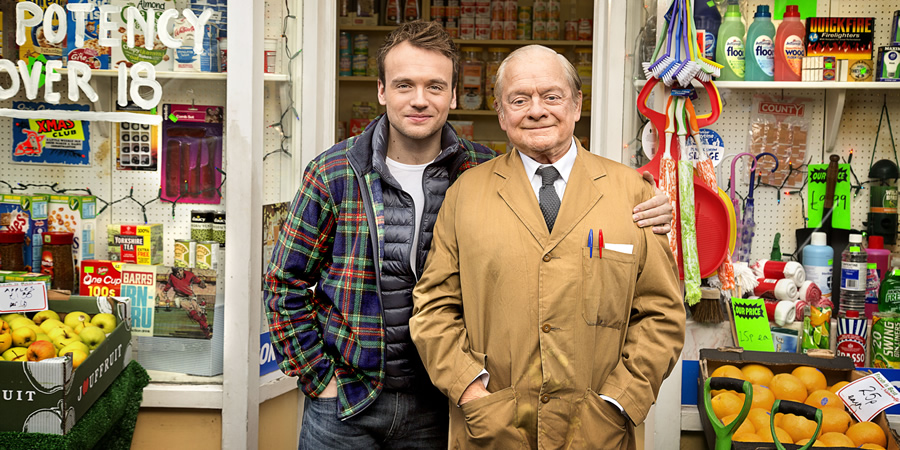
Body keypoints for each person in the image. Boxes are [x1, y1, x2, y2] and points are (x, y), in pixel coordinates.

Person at [264, 23, 673, 449]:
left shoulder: (478, 169)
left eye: (435, 86)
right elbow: (283, 283)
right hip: (348, 404)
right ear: (382, 90)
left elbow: (637, 296)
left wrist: (639, 202)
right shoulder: (335, 172)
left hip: (436, 405)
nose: (420, 99)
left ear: (454, 95)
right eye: (404, 85)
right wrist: (320, 378)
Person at [409, 45, 686, 449]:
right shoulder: (466, 194)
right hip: (493, 428)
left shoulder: (633, 193)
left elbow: (661, 313)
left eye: (552, 97)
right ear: (502, 114)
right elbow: (433, 309)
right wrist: (472, 394)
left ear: (576, 105)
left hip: (597, 431)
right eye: (519, 100)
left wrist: (618, 401)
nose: (536, 110)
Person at [159, 267, 211, 339]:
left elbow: (198, 280)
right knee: (190, 308)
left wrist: (201, 283)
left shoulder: (189, 274)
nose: (178, 273)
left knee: (199, 311)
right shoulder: (172, 276)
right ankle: (205, 326)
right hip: (179, 297)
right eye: (176, 272)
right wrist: (164, 291)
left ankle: (206, 332)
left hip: (190, 296)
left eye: (180, 271)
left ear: (183, 270)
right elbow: (169, 284)